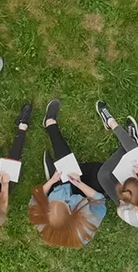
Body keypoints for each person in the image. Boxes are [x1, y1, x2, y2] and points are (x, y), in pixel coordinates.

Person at [28, 99, 106, 248]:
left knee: (68, 167)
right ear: (71, 211)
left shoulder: (40, 221)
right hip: (83, 194)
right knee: (98, 171)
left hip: (61, 185)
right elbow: (99, 201)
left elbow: (35, 198)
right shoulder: (88, 224)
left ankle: (50, 124)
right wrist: (79, 184)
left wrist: (51, 182)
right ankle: (50, 125)